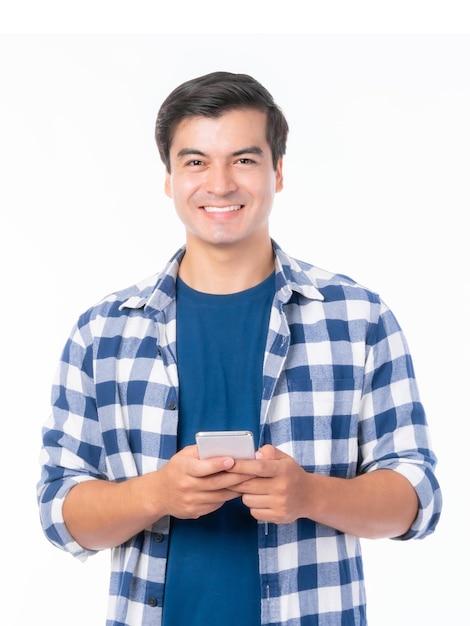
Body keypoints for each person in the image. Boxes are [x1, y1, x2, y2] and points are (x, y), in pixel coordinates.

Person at [37, 71, 442, 626]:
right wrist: (157, 493)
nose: (221, 184)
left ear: (277, 171)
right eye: (196, 161)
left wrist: (310, 495)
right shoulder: (102, 332)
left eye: (245, 160)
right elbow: (61, 514)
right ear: (170, 177)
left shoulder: (358, 317)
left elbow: (416, 498)